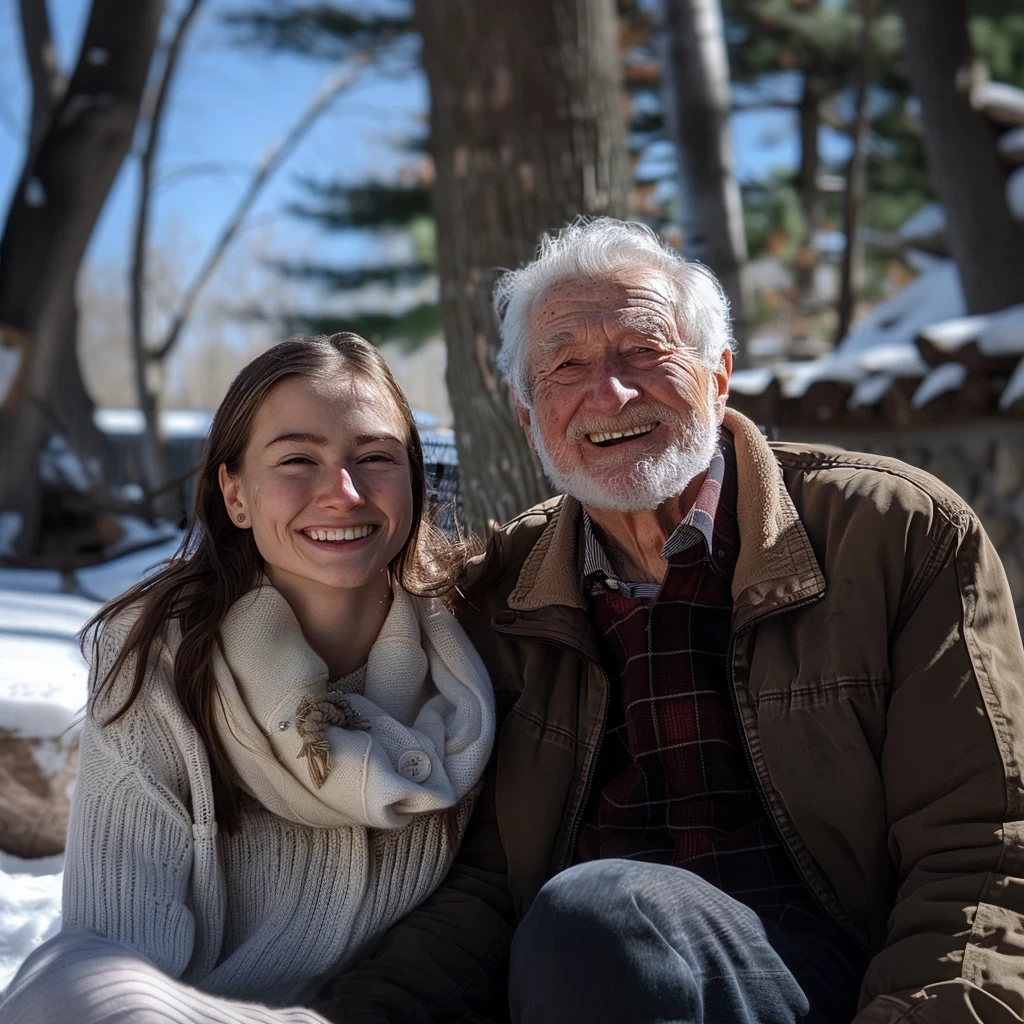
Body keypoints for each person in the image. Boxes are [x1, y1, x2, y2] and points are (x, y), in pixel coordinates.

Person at [312, 220, 1024, 1024]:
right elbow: (482, 886)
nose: (608, 394)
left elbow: (984, 850)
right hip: (582, 982)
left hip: (835, 986)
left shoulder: (894, 533)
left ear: (719, 375)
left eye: (645, 351)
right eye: (566, 366)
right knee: (588, 925)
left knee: (603, 914)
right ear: (528, 417)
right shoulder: (499, 596)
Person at [0, 334, 495, 1024]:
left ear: (412, 475)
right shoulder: (160, 657)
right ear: (234, 494)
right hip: (189, 1012)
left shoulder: (484, 645)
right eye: (298, 459)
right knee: (66, 983)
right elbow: (113, 937)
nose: (343, 493)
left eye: (374, 457)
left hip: (387, 1014)